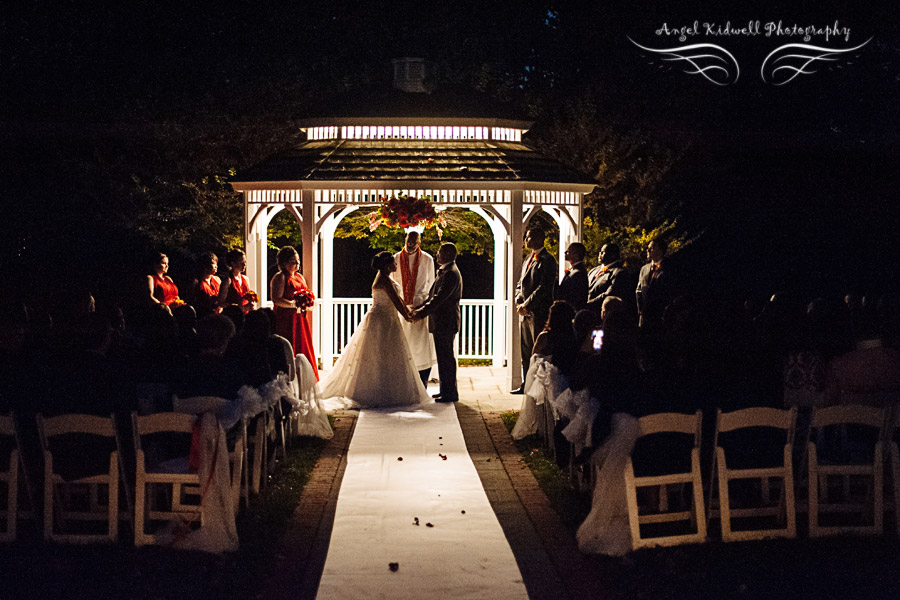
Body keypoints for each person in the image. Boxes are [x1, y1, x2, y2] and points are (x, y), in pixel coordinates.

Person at [319, 252, 431, 407]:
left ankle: (387, 388)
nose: (396, 265)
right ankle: (376, 390)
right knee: (378, 354)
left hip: (388, 318)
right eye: (393, 263)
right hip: (382, 320)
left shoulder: (386, 278)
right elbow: (395, 301)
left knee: (387, 354)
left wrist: (407, 312)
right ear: (387, 265)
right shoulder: (383, 280)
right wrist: (407, 316)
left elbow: (399, 300)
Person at [413, 243, 463, 403]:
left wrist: (420, 314)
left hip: (446, 322)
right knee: (443, 358)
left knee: (447, 358)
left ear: (448, 254)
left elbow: (439, 299)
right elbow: (431, 297)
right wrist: (418, 308)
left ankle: (450, 393)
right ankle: (445, 391)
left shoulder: (451, 274)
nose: (437, 254)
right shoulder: (446, 272)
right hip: (442, 322)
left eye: (440, 252)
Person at [513, 228, 557, 393]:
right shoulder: (528, 259)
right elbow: (520, 283)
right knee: (526, 350)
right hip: (525, 313)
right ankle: (526, 384)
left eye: (529, 236)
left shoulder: (548, 260)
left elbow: (544, 287)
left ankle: (540, 387)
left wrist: (528, 304)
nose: (525, 239)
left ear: (539, 238)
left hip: (538, 313)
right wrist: (519, 299)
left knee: (538, 351)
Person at [390, 230, 436, 387]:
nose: (410, 245)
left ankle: (422, 379)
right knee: (402, 344)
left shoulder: (428, 259)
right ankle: (403, 377)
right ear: (405, 239)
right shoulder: (395, 258)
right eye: (408, 241)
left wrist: (424, 307)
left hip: (420, 307)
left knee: (421, 346)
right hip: (401, 307)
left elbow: (431, 285)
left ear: (419, 243)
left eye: (413, 242)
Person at [270, 246, 319, 381]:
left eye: (298, 261)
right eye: (293, 261)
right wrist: (293, 304)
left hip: (299, 318)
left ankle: (304, 378)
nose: (297, 264)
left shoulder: (299, 277)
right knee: (289, 345)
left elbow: (306, 293)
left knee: (302, 345)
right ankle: (290, 378)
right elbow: (276, 299)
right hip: (285, 318)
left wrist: (308, 303)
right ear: (284, 263)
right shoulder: (280, 277)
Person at [586, 243, 633, 318]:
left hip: (600, 315)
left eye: (602, 252)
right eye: (600, 252)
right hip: (586, 314)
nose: (599, 254)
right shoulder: (593, 271)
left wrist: (588, 304)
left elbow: (609, 294)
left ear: (612, 255)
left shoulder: (619, 272)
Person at [218, 249, 257, 313]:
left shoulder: (246, 279)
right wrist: (241, 307)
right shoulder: (228, 280)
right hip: (233, 315)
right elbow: (221, 303)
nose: (244, 265)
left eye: (245, 262)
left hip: (246, 315)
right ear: (233, 263)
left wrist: (251, 303)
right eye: (241, 263)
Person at [558, 242, 588, 311]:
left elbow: (576, 297)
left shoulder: (578, 273)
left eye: (568, 251)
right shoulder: (573, 270)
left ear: (576, 255)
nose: (565, 252)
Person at [190, 252, 221, 318]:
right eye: (213, 263)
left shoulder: (217, 280)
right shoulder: (197, 282)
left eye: (216, 264)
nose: (216, 266)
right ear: (205, 265)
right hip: (204, 315)